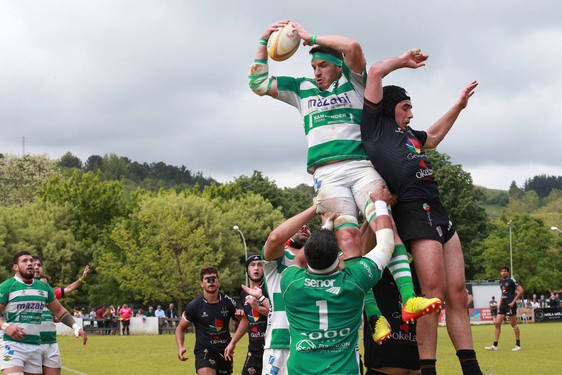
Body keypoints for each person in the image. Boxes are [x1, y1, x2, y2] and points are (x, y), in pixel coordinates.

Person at [248, 23, 432, 339]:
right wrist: (264, 40)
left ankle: (409, 297)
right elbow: (258, 82)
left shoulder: (354, 81)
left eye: (323, 65)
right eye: (314, 66)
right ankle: (375, 318)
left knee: (383, 224)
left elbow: (354, 47)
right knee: (347, 240)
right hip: (327, 176)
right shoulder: (301, 88)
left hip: (361, 168)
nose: (317, 72)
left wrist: (310, 38)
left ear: (337, 65)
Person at [360, 48, 482, 375]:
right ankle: (428, 368)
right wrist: (402, 62)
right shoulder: (375, 130)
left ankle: (471, 368)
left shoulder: (411, 136)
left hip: (439, 212)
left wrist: (458, 106)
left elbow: (437, 136)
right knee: (432, 296)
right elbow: (374, 74)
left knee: (457, 294)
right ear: (389, 109)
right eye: (405, 108)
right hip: (413, 214)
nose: (411, 114)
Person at [278, 186, 397, 374]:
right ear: (338, 256)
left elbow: (299, 260)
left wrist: (324, 230)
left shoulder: (290, 282)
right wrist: (380, 203)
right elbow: (387, 245)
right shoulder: (355, 280)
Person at [0, 251, 87, 375]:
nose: (30, 264)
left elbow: (60, 311)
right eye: (24, 261)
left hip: (35, 346)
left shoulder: (43, 287)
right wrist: (6, 327)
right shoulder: (7, 286)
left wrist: (75, 326)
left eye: (31, 261)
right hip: (12, 344)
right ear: (15, 267)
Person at [261, 222, 310, 375]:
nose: (303, 227)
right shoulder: (278, 258)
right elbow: (275, 238)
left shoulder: (319, 262)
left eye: (308, 226)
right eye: (299, 225)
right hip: (279, 342)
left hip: (309, 342)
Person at [176, 266, 239, 375]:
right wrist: (180, 346)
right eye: (207, 279)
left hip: (225, 351)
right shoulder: (194, 306)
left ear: (218, 282)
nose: (211, 282)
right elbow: (180, 328)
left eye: (213, 279)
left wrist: (233, 342)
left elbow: (244, 322)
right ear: (201, 284)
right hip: (204, 352)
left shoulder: (229, 302)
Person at [32, 257, 89, 375]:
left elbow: (68, 289)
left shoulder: (51, 295)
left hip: (50, 343)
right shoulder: (24, 292)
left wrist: (81, 279)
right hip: (32, 343)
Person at [225, 254, 269, 375]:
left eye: (260, 265)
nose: (256, 268)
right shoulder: (244, 294)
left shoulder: (270, 289)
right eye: (252, 265)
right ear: (247, 270)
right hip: (254, 350)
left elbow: (276, 313)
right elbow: (246, 320)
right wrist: (233, 342)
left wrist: (258, 307)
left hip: (271, 348)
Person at [486, 266, 524, 352]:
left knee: (513, 324)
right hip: (503, 304)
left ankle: (518, 345)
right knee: (497, 323)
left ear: (508, 273)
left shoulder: (512, 280)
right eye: (502, 271)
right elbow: (503, 293)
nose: (503, 273)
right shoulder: (501, 282)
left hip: (510, 304)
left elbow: (521, 290)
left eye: (505, 271)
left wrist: (514, 301)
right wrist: (500, 304)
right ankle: (495, 345)